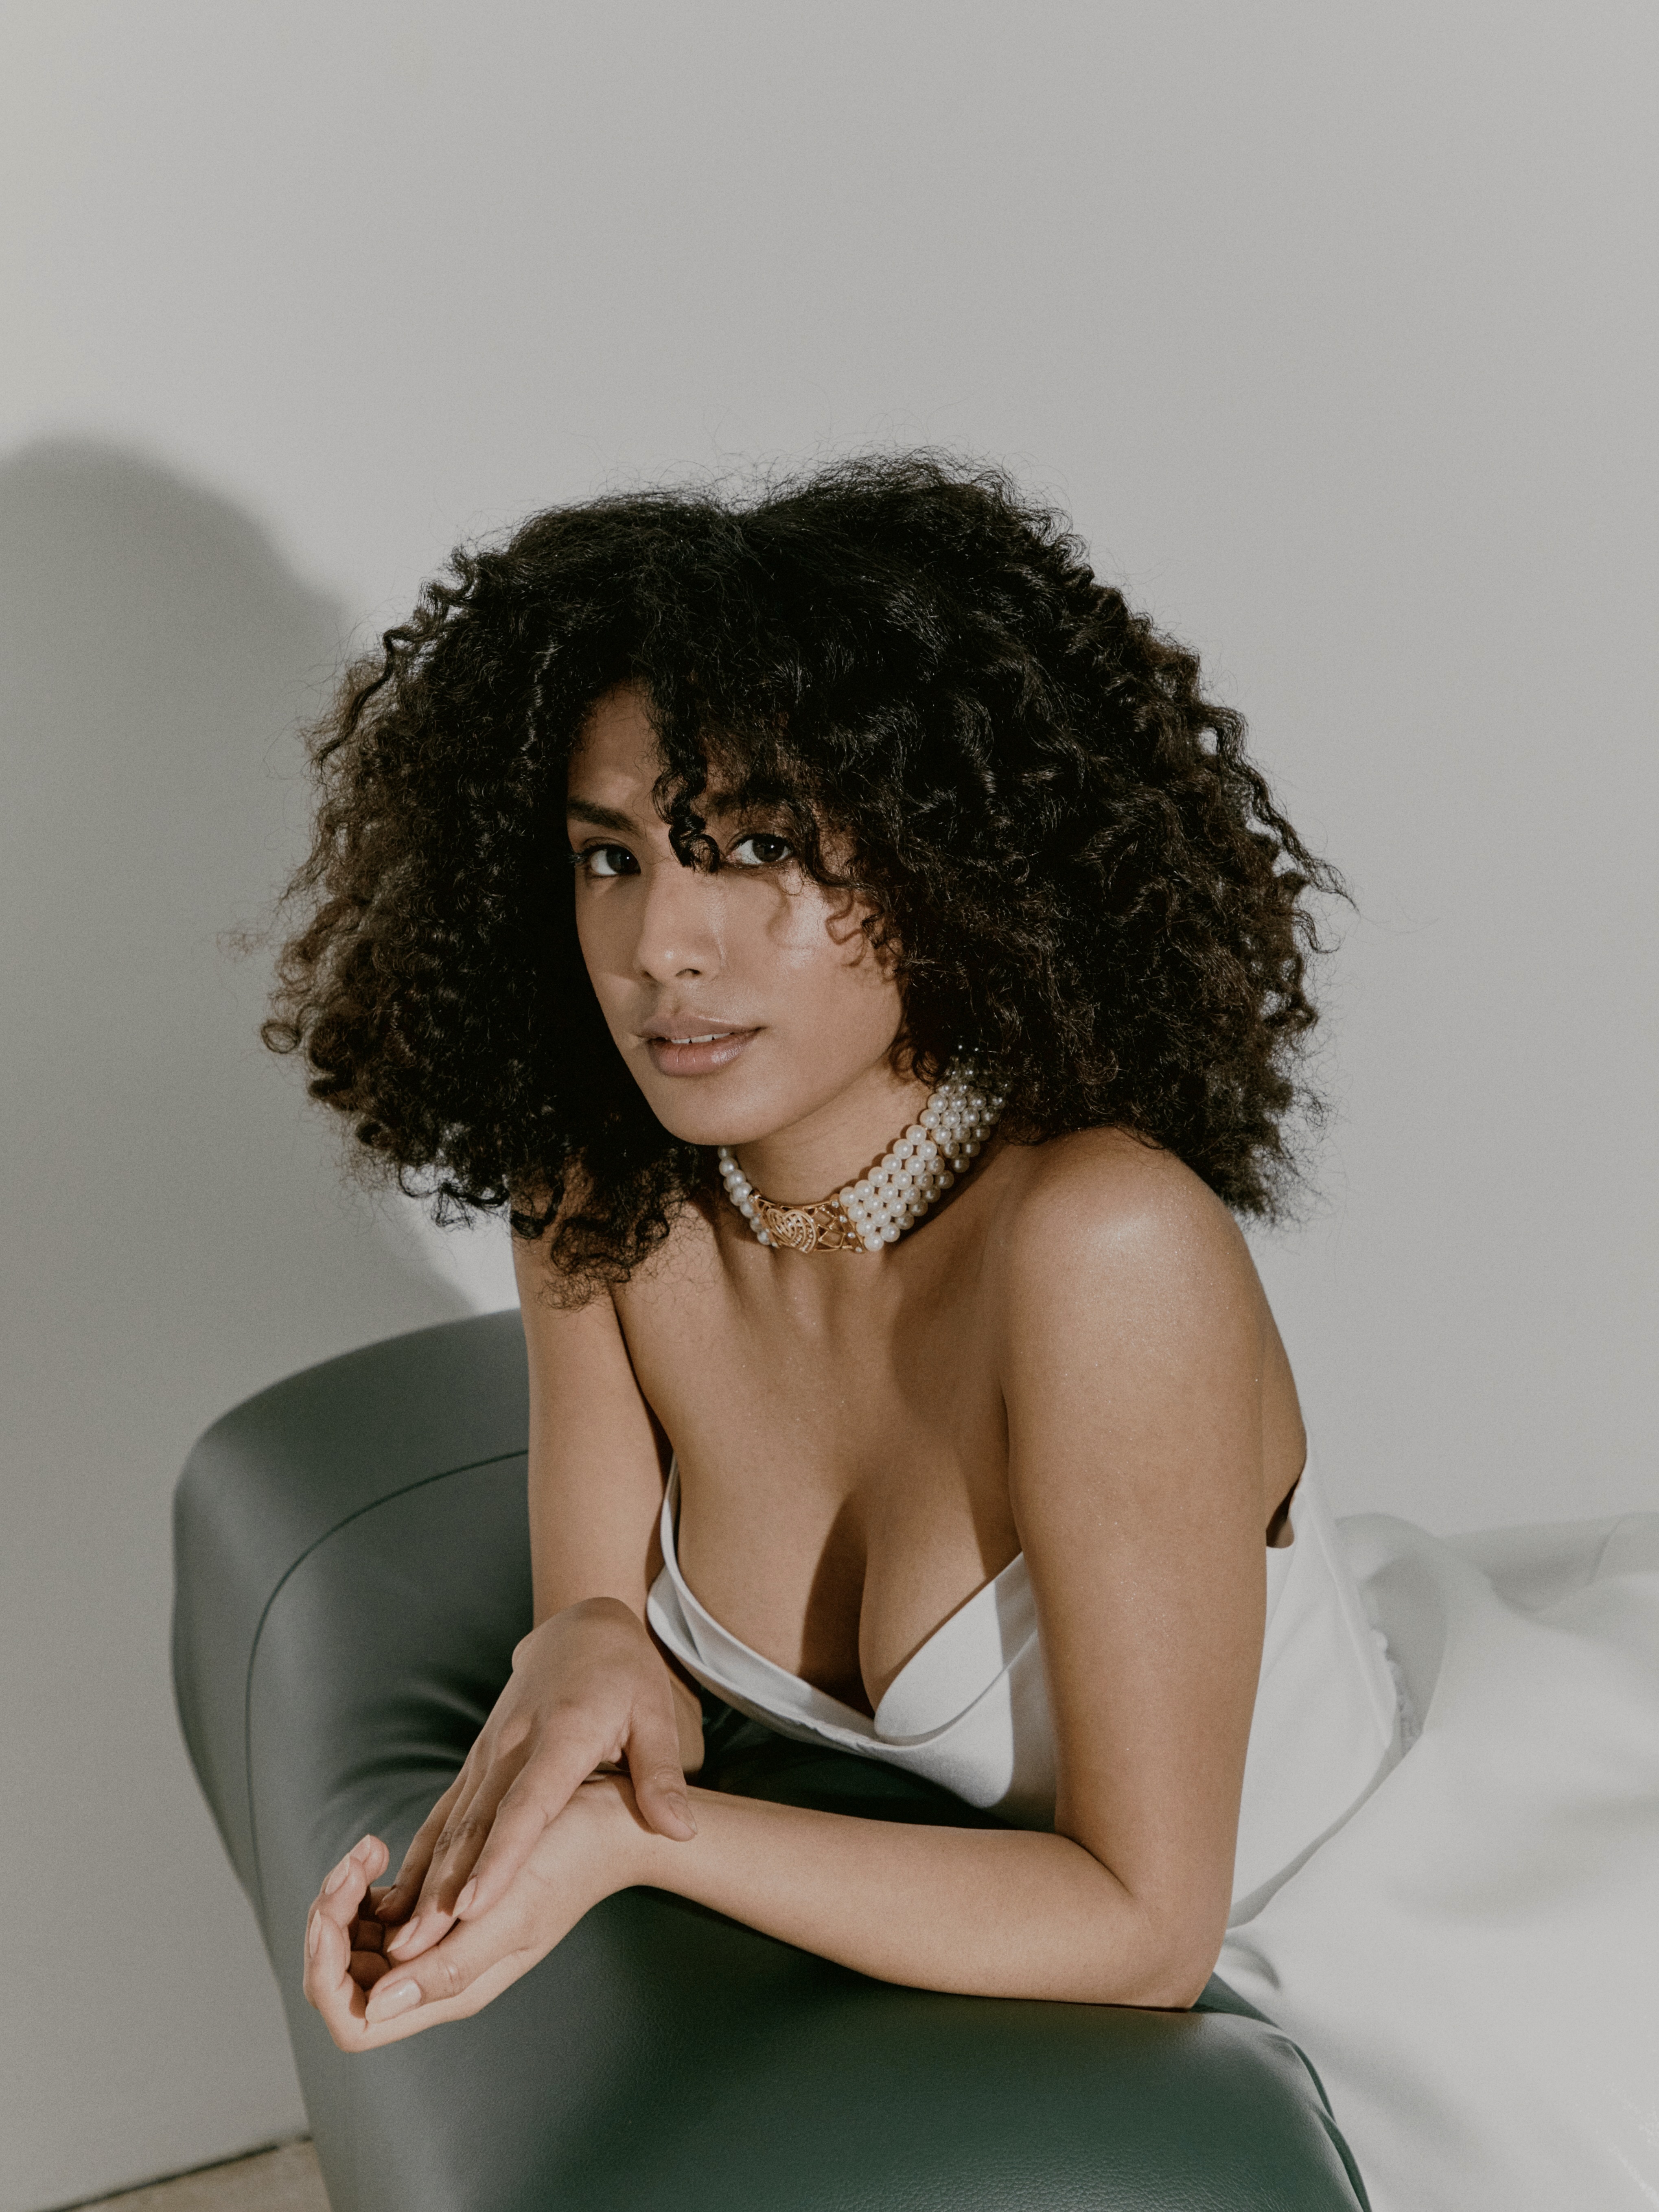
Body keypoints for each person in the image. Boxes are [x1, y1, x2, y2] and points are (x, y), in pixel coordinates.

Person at [270, 456, 1659, 2212]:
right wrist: (516, 1781)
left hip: (1378, 1944)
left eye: (757, 848)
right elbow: (601, 1631)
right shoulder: (602, 1202)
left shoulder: (1101, 1248)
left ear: (946, 857)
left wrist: (639, 1840)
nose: (661, 945)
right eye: (608, 856)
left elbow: (1146, 1930)